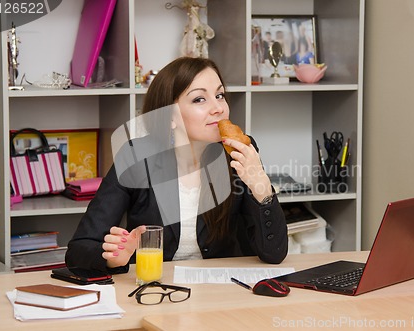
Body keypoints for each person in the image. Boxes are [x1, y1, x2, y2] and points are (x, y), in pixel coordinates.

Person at [65, 57, 288, 274]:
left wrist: (262, 187)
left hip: (223, 291)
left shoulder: (239, 153)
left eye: (219, 95)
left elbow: (274, 253)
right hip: (156, 287)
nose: (218, 108)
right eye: (199, 99)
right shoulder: (136, 156)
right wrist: (113, 259)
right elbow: (79, 249)